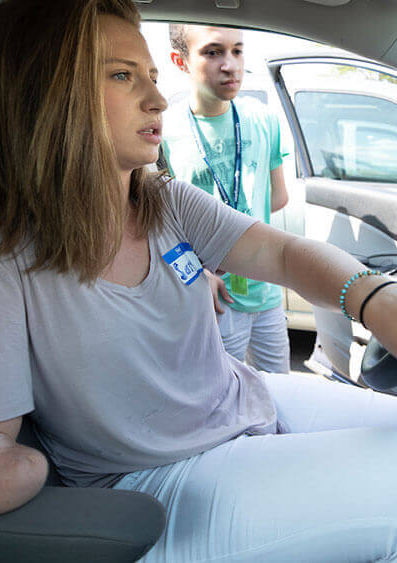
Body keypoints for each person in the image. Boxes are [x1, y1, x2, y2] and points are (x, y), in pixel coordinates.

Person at [0, 0, 397, 561]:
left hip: (244, 401)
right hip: (149, 481)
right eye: (122, 76)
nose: (157, 100)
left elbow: (287, 254)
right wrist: (33, 462)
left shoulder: (164, 201)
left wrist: (376, 300)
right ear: (44, 95)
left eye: (153, 77)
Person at [162, 23, 292, 374]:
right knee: (226, 404)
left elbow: (279, 197)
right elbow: (156, 229)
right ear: (181, 61)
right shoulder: (165, 133)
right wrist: (196, 272)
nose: (230, 64)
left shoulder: (264, 119)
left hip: (265, 292)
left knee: (280, 395)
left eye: (237, 50)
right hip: (213, 298)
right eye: (212, 51)